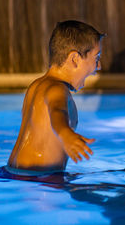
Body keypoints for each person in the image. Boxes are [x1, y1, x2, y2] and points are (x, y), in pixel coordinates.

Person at [7, 20, 105, 173]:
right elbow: (57, 111)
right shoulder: (57, 89)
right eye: (96, 58)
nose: (98, 67)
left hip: (13, 172)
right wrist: (66, 134)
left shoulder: (37, 85)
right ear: (75, 59)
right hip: (40, 179)